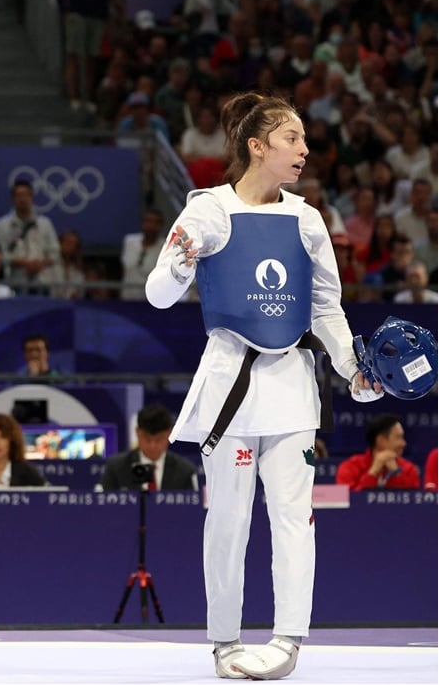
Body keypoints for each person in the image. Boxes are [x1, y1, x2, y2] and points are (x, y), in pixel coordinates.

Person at [145, 92, 382, 681]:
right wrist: (180, 262)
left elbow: (325, 307)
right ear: (257, 146)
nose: (304, 150)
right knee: (228, 518)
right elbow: (158, 295)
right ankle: (225, 641)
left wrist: (351, 366)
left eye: (304, 140)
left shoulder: (308, 219)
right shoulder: (207, 210)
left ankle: (287, 641)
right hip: (230, 385)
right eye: (291, 139)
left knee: (294, 516)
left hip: (292, 386)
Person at [98, 404, 198, 491]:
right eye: (147, 439)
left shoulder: (184, 471)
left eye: (159, 439)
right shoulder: (116, 468)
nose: (152, 446)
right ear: (137, 432)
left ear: (169, 433)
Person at [335, 414, 421, 491]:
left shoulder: (409, 469)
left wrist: (396, 472)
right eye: (398, 437)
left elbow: (412, 500)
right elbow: (349, 500)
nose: (404, 443)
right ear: (381, 440)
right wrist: (373, 472)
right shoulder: (349, 467)